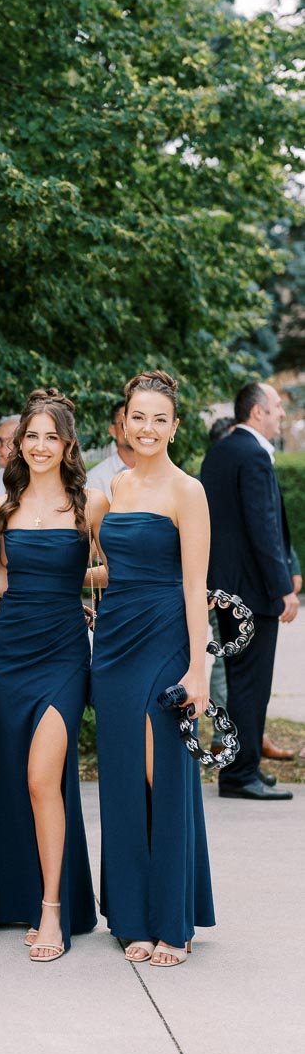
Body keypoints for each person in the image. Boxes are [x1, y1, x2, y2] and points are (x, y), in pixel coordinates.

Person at [92, 370, 214, 967]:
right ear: (124, 421)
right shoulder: (112, 488)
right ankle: (132, 916)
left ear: (174, 426)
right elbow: (112, 568)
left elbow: (197, 587)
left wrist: (199, 669)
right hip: (113, 642)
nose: (147, 428)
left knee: (161, 773)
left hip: (166, 636)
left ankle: (174, 920)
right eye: (137, 417)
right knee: (119, 776)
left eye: (159, 418)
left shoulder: (188, 490)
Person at [0, 389, 106, 961]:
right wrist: (18, 589)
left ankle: (54, 910)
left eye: (49, 437)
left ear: (67, 444)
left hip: (62, 653)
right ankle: (15, 898)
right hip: (9, 650)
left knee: (41, 778)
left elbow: (112, 568)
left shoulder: (91, 505)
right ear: (17, 444)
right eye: (30, 436)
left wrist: (74, 587)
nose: (38, 446)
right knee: (9, 777)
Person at [200, 382, 297, 801]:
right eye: (275, 407)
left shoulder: (221, 450)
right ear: (257, 412)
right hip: (252, 593)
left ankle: (245, 766)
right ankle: (241, 775)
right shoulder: (254, 455)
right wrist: (283, 589)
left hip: (226, 590)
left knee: (242, 681)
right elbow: (264, 530)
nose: (280, 414)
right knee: (250, 685)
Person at [85, 400, 136, 501]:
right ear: (112, 430)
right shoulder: (95, 479)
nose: (131, 429)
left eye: (137, 421)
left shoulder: (162, 474)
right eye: (124, 424)